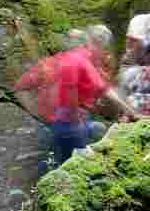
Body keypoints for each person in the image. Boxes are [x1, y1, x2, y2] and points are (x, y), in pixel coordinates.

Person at [50, 25, 140, 166]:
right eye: (104, 48)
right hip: (70, 123)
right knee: (77, 165)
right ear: (97, 43)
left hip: (67, 120)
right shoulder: (80, 60)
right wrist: (131, 113)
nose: (105, 52)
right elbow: (105, 91)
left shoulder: (75, 58)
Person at [15, 30, 88, 175]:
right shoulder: (49, 64)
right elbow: (20, 88)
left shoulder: (53, 63)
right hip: (56, 126)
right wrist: (35, 113)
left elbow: (20, 88)